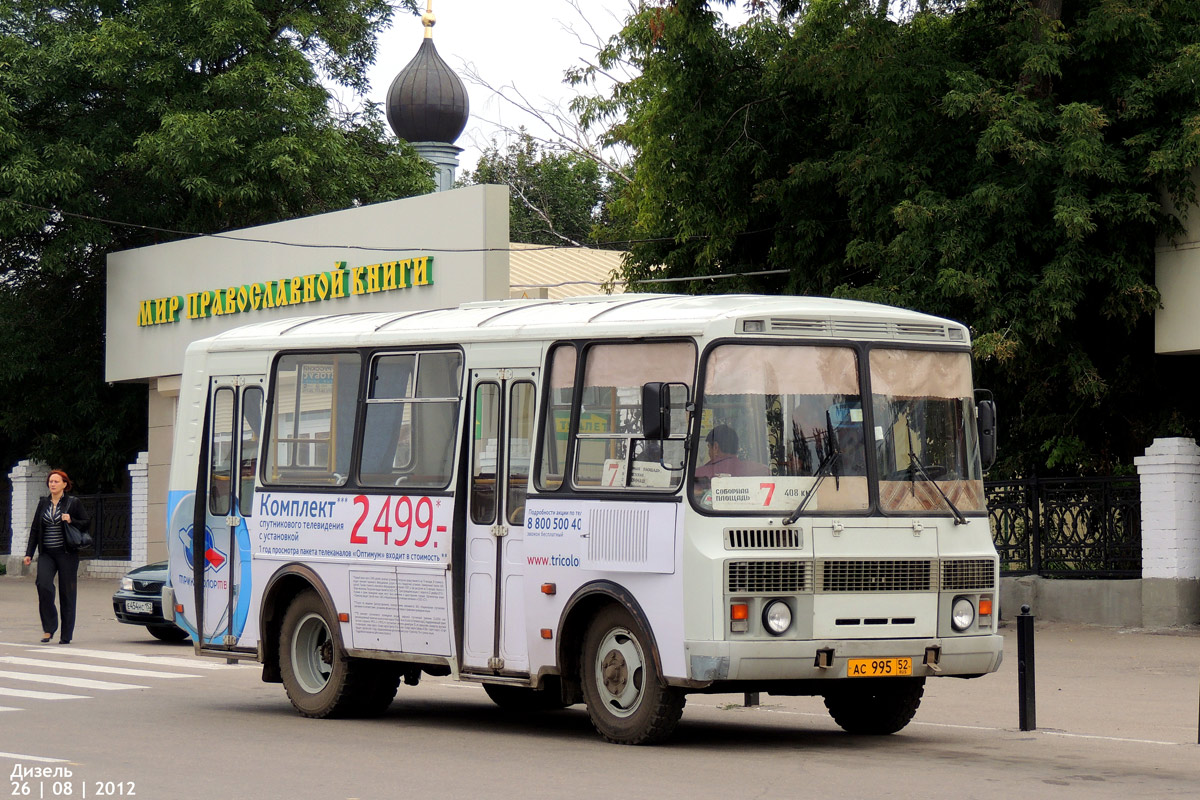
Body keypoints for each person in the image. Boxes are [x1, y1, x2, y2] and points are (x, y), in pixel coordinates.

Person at [22, 469, 90, 644]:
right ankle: (49, 628)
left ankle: (66, 635)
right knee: (43, 585)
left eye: (56, 481)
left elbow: (86, 523)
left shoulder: (73, 503)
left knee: (67, 594)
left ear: (64, 485)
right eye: (50, 481)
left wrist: (71, 520)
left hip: (67, 554)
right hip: (47, 554)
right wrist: (29, 553)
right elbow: (35, 529)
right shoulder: (43, 503)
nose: (52, 484)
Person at [695, 425, 766, 478]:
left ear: (715, 447)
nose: (709, 453)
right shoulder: (761, 470)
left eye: (709, 448)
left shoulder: (700, 475)